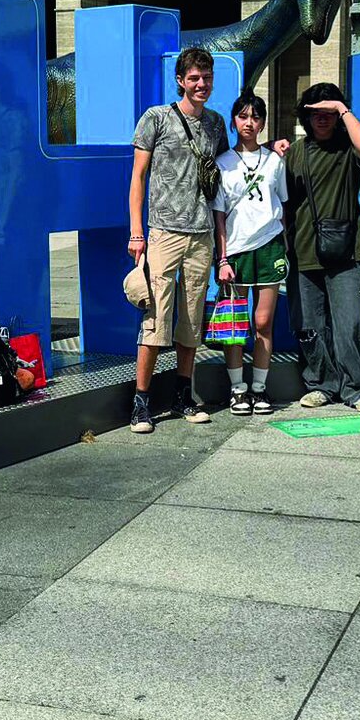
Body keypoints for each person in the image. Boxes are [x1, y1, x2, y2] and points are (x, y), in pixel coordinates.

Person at [128, 47, 230, 434]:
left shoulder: (217, 124)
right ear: (180, 81)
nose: (201, 84)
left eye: (206, 78)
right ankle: (141, 401)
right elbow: (138, 177)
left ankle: (183, 395)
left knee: (190, 320)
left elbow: (227, 172)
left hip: (201, 234)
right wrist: (137, 233)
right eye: (194, 79)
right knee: (155, 319)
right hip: (163, 232)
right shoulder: (156, 119)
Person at [283, 82, 360, 412]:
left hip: (346, 251)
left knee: (350, 323)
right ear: (305, 117)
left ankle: (357, 387)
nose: (322, 119)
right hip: (303, 250)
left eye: (329, 113)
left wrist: (341, 107)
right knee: (309, 325)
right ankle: (320, 382)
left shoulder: (347, 149)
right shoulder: (295, 152)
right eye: (315, 113)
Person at [211, 92, 289, 415]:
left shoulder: (275, 161)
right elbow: (218, 216)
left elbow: (282, 205)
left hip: (269, 246)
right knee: (235, 323)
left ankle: (259, 388)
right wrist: (223, 259)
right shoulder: (223, 163)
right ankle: (237, 389)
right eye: (243, 116)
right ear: (234, 121)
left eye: (255, 117)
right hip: (237, 251)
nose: (249, 123)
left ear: (263, 123)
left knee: (264, 321)